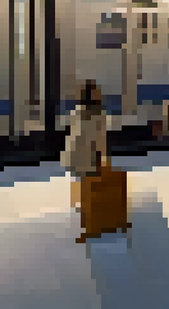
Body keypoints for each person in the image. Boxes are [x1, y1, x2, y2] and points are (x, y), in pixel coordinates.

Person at [63, 80, 110, 240]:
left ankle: (80, 214)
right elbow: (100, 139)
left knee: (80, 183)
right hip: (87, 155)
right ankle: (89, 222)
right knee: (89, 186)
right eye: (97, 91)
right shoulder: (99, 114)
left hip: (73, 154)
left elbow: (72, 132)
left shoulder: (77, 110)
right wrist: (104, 159)